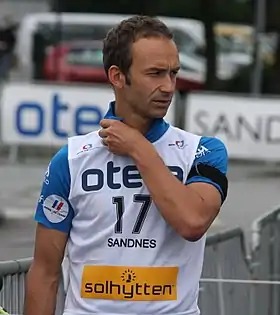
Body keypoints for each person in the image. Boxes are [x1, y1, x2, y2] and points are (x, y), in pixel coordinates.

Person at [24, 15, 228, 315]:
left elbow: (192, 221)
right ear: (117, 76)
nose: (169, 86)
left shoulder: (203, 150)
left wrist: (137, 148)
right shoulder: (71, 159)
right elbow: (44, 272)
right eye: (156, 73)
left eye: (173, 73)